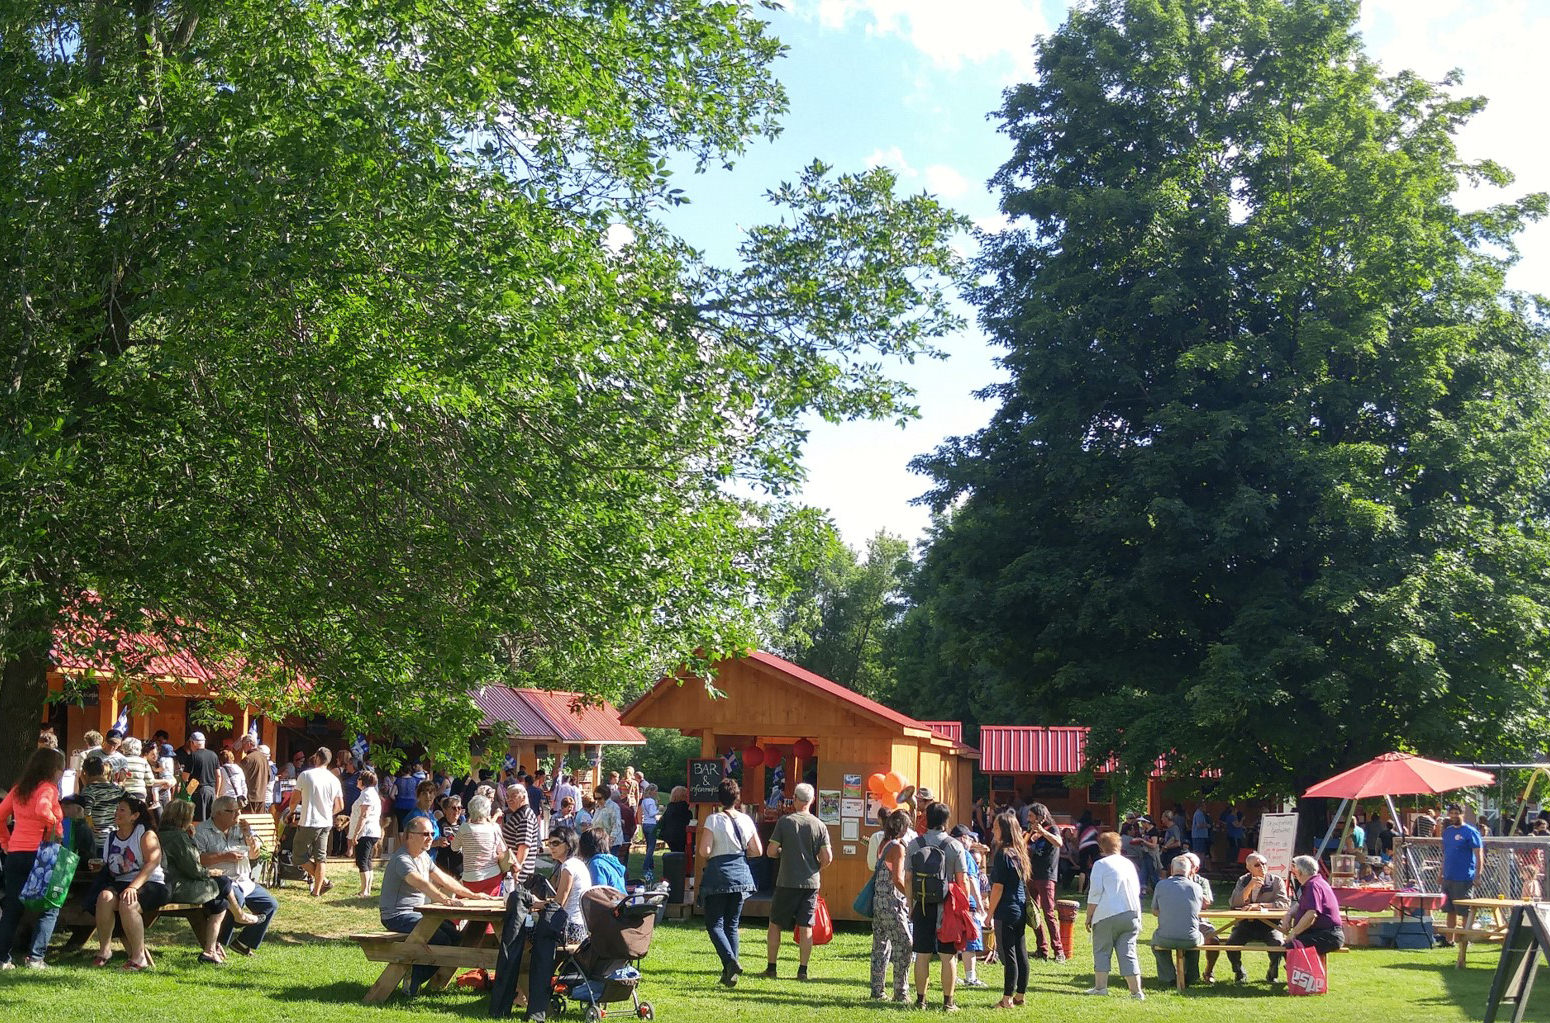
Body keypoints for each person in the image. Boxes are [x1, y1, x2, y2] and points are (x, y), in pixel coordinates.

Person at [380, 814, 479, 994]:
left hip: (417, 914)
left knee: (455, 935)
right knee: (439, 938)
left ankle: (425, 979)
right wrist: (446, 900)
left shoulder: (424, 857)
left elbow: (445, 879)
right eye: (425, 834)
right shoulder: (402, 859)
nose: (430, 837)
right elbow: (422, 883)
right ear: (410, 835)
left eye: (432, 833)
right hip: (396, 916)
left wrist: (473, 895)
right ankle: (413, 981)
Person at [158, 798, 258, 963]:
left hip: (172, 882)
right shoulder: (178, 837)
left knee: (221, 902)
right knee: (223, 882)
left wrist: (190, 839)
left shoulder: (167, 834)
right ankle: (238, 917)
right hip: (177, 886)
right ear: (183, 818)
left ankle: (210, 950)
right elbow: (192, 868)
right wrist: (210, 872)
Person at [0, 746, 66, 969]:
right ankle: (36, 958)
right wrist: (55, 827)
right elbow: (42, 810)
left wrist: (5, 842)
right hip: (42, 854)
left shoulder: (19, 789)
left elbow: (1, 814)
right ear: (53, 770)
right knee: (49, 907)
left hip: (16, 853)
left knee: (13, 907)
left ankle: (2, 958)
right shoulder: (48, 788)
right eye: (61, 770)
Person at [89, 794, 168, 969]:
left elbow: (153, 862)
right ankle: (104, 950)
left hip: (150, 883)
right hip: (121, 883)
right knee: (104, 897)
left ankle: (139, 957)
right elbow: (111, 866)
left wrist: (133, 886)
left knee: (128, 902)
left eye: (122, 810)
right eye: (117, 809)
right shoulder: (111, 837)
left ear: (135, 816)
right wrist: (99, 867)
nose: (117, 813)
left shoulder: (145, 834)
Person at [765, 782, 832, 982]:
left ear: (795, 799)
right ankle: (802, 970)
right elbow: (827, 857)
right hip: (810, 883)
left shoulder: (785, 822)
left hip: (786, 881)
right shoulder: (819, 825)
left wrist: (782, 852)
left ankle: (771, 967)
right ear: (811, 801)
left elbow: (770, 851)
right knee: (806, 926)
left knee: (775, 924)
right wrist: (816, 867)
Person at [195, 795, 279, 956]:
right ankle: (218, 944)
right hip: (218, 879)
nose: (237, 814)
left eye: (238, 811)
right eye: (232, 811)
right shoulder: (202, 831)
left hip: (243, 879)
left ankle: (243, 942)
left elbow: (254, 856)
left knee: (270, 905)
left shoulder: (240, 828)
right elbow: (198, 859)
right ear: (217, 813)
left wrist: (249, 835)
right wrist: (224, 856)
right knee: (236, 900)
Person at [698, 777, 762, 987]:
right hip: (741, 873)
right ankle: (730, 972)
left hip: (718, 874)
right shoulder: (746, 820)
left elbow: (704, 851)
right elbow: (757, 850)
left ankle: (730, 962)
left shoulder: (713, 819)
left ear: (719, 798)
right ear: (737, 798)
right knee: (732, 924)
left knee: (714, 923)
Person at [906, 800, 969, 1011]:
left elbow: (908, 878)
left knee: (922, 954)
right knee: (947, 955)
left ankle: (920, 1000)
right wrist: (965, 906)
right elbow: (963, 880)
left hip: (922, 903)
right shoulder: (954, 845)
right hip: (948, 907)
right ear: (946, 821)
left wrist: (910, 902)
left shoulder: (915, 844)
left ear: (926, 819)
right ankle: (948, 1002)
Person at [1204, 851, 1290, 984]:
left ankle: (1272, 972)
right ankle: (1239, 971)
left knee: (1278, 944)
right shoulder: (1243, 880)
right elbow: (1234, 903)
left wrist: (1260, 906)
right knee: (1231, 944)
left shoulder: (1275, 881)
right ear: (1249, 868)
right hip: (1245, 924)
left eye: (1264, 863)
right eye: (1257, 865)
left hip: (1270, 925)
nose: (1262, 867)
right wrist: (1249, 886)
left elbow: (1284, 903)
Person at [1083, 830, 1145, 1000]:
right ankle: (1136, 991)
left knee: (1102, 950)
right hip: (1131, 912)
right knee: (1128, 952)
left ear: (1101, 847)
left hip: (1107, 913)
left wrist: (1089, 916)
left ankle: (1100, 987)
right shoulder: (1129, 864)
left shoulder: (1100, 865)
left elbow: (1094, 893)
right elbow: (1137, 890)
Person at [986, 811, 1030, 1009]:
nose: (993, 830)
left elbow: (998, 887)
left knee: (1008, 955)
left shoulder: (1003, 854)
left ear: (1003, 830)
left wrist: (988, 914)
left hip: (1006, 909)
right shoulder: (1019, 852)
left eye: (995, 826)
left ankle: (1007, 999)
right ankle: (1020, 995)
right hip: (1020, 907)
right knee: (1021, 953)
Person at [870, 808, 914, 1002]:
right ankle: (901, 992)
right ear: (903, 827)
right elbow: (897, 878)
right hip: (892, 902)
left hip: (878, 902)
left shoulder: (884, 843)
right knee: (905, 945)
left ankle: (877, 991)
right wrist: (910, 897)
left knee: (880, 946)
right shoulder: (898, 847)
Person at [291, 747, 344, 896]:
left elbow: (294, 799)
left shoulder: (306, 775)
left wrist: (291, 811)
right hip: (326, 822)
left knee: (298, 856)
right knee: (321, 858)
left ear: (317, 758)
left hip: (308, 821)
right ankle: (317, 890)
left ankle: (325, 882)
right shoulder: (334, 779)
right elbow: (340, 805)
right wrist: (328, 813)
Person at [1150, 858, 1204, 988]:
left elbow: (1154, 910)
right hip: (1190, 939)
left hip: (1165, 938)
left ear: (1172, 869)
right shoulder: (1196, 887)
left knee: (1155, 943)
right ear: (1189, 870)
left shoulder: (1161, 885)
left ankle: (1168, 977)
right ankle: (1191, 975)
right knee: (1196, 936)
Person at [1281, 855, 1344, 961]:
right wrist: (1288, 915)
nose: (1294, 876)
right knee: (1290, 944)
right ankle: (1302, 976)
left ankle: (1303, 976)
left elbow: (1311, 914)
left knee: (1291, 946)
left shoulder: (1312, 885)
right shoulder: (1317, 882)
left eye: (1294, 872)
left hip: (1328, 935)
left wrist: (1293, 933)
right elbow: (1299, 904)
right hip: (1327, 933)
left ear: (1300, 872)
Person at [1024, 801, 1065, 962]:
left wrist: (1042, 832)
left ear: (1041, 817)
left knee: (1048, 913)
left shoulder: (1052, 829)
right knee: (1033, 912)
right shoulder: (1031, 830)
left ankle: (1059, 951)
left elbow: (1059, 843)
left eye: (1031, 816)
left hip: (1046, 876)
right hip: (1032, 875)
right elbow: (1023, 845)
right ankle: (1042, 948)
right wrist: (1030, 834)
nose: (1028, 819)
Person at [1440, 802, 1485, 943]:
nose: (1453, 816)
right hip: (1448, 876)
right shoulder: (1447, 832)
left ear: (1462, 814)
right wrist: (1440, 873)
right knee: (1449, 910)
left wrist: (1478, 875)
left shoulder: (1470, 831)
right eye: (1451, 813)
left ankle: (1465, 940)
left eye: (1456, 813)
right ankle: (1449, 941)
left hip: (1464, 877)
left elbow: (1479, 854)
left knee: (1464, 910)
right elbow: (1445, 854)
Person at [950, 825, 987, 987]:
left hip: (951, 902)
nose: (971, 841)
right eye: (969, 838)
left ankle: (954, 975)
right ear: (962, 838)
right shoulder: (965, 854)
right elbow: (971, 880)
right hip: (967, 904)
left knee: (954, 940)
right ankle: (970, 977)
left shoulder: (948, 852)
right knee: (969, 942)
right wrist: (979, 904)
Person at [452, 794, 507, 895]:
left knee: (470, 907)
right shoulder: (494, 827)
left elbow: (454, 847)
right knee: (491, 907)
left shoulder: (464, 828)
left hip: (470, 877)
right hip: (492, 875)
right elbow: (502, 852)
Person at [349, 768, 384, 895]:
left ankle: (364, 890)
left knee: (362, 861)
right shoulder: (372, 793)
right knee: (367, 861)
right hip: (372, 831)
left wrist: (356, 834)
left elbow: (364, 815)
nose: (357, 781)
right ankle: (366, 889)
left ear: (363, 781)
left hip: (366, 832)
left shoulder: (367, 794)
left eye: (359, 779)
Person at [78, 754, 126, 848]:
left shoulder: (89, 790)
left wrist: (90, 827)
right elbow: (133, 801)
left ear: (85, 773)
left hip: (96, 841)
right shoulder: (117, 789)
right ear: (103, 770)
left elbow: (86, 812)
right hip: (114, 838)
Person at [499, 782, 540, 889]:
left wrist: (517, 870)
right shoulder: (519, 813)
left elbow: (524, 846)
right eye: (507, 796)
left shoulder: (525, 817)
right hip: (513, 871)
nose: (509, 800)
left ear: (523, 797)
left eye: (513, 796)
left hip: (519, 875)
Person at [183, 731, 221, 822]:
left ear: (192, 743)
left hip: (198, 792)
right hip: (211, 791)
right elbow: (218, 775)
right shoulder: (214, 755)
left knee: (198, 820)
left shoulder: (192, 756)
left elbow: (185, 777)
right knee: (211, 820)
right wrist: (217, 792)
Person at [583, 826, 627, 892]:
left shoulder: (597, 864)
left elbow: (599, 894)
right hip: (622, 899)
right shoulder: (611, 860)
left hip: (612, 901)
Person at [589, 784, 623, 858]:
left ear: (606, 797)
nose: (597, 801)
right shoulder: (598, 808)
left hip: (611, 844)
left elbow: (616, 826)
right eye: (596, 798)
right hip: (600, 842)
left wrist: (610, 842)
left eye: (599, 798)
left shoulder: (614, 807)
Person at [240, 736, 270, 815]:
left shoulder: (248, 759)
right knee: (260, 825)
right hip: (262, 797)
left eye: (243, 744)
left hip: (250, 798)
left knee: (247, 825)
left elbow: (240, 778)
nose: (242, 747)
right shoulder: (264, 758)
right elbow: (269, 776)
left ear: (249, 744)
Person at [659, 785, 692, 853]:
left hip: (669, 836)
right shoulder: (684, 809)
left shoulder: (669, 808)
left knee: (674, 853)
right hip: (681, 837)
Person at [640, 782, 661, 876]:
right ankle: (645, 866)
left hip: (645, 824)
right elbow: (652, 813)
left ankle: (651, 865)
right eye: (655, 791)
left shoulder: (644, 801)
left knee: (649, 845)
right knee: (651, 847)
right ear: (652, 791)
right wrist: (659, 809)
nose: (656, 793)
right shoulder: (651, 801)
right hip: (651, 824)